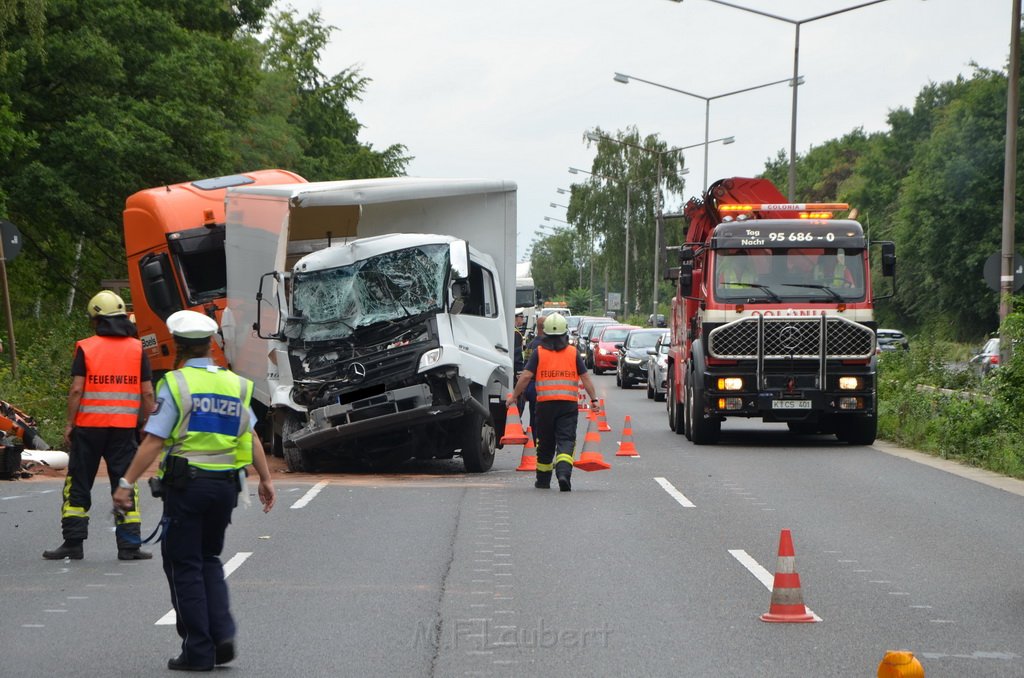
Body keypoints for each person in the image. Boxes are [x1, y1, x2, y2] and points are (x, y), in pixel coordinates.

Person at [113, 310, 276, 671]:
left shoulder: (175, 383)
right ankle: (222, 636)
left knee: (184, 563)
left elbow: (154, 440)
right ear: (210, 345)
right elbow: (250, 436)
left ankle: (199, 650)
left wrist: (125, 484)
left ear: (179, 346)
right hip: (224, 489)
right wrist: (265, 479)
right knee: (209, 560)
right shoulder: (235, 384)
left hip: (187, 488)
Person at [43, 290, 155, 561]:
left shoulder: (86, 347)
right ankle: (129, 546)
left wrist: (70, 423)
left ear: (96, 319)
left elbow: (76, 391)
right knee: (125, 483)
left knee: (79, 482)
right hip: (123, 430)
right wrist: (147, 423)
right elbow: (148, 393)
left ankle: (73, 543)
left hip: (89, 428)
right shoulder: (137, 349)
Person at [505, 313, 598, 492]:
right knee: (566, 440)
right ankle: (563, 473)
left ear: (545, 334)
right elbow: (585, 378)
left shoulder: (539, 353)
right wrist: (594, 400)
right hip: (567, 405)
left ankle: (543, 480)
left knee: (545, 442)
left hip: (545, 405)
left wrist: (514, 396)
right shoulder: (573, 353)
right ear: (565, 334)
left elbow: (525, 377)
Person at [513, 311, 527, 413]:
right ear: (515, 317)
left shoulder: (513, 331)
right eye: (521, 317)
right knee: (519, 401)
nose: (522, 319)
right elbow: (517, 354)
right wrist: (519, 373)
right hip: (516, 372)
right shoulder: (516, 333)